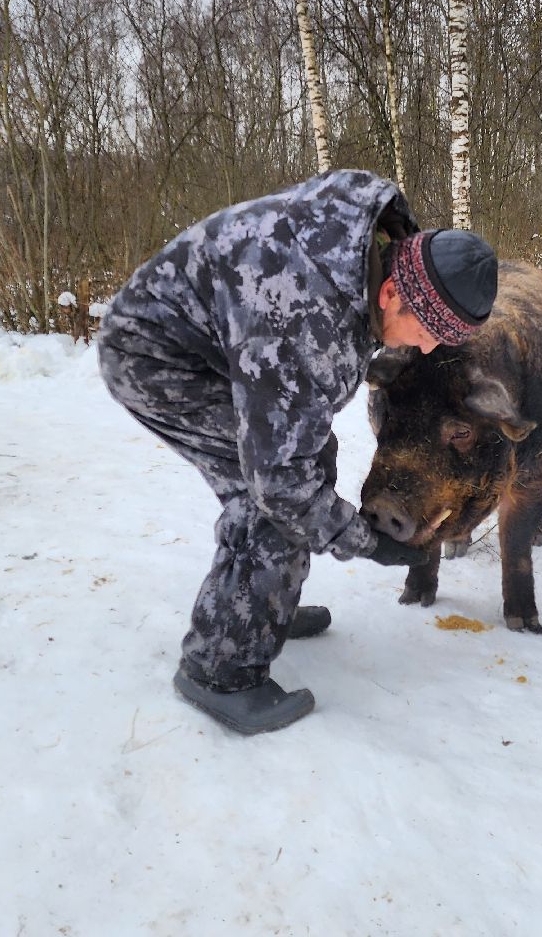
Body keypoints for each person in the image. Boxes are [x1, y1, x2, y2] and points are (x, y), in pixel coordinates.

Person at [97, 170, 499, 735]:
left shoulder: (370, 240)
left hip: (220, 338)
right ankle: (220, 669)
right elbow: (280, 482)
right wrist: (365, 542)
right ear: (391, 293)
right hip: (156, 358)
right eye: (426, 331)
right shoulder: (306, 324)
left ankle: (265, 608)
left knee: (305, 456)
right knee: (268, 500)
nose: (426, 347)